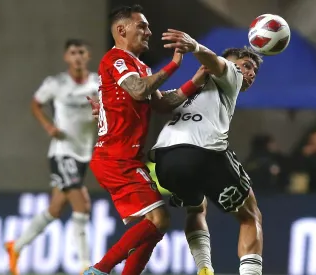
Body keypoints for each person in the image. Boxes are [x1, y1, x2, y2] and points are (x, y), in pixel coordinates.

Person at [83, 5, 207, 275]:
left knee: (155, 227)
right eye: (142, 26)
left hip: (124, 158)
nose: (149, 31)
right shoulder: (116, 58)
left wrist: (195, 82)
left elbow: (162, 103)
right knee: (159, 219)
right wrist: (174, 65)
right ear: (121, 30)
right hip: (115, 158)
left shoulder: (140, 65)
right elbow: (139, 91)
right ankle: (99, 271)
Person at [150, 29, 265, 275]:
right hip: (203, 153)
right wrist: (195, 47)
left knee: (196, 207)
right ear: (229, 65)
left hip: (166, 162)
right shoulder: (230, 77)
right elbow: (217, 63)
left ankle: (204, 269)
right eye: (246, 65)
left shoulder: (186, 90)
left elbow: (156, 101)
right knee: (250, 215)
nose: (251, 73)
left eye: (255, 70)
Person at [5, 39, 99, 275]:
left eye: (81, 52)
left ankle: (15, 247)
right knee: (82, 203)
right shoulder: (56, 83)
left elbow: (107, 110)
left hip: (83, 154)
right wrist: (48, 126)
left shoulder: (98, 83)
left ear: (88, 56)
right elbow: (36, 104)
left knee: (56, 209)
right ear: (66, 58)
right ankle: (85, 266)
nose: (77, 57)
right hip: (62, 152)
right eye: (73, 53)